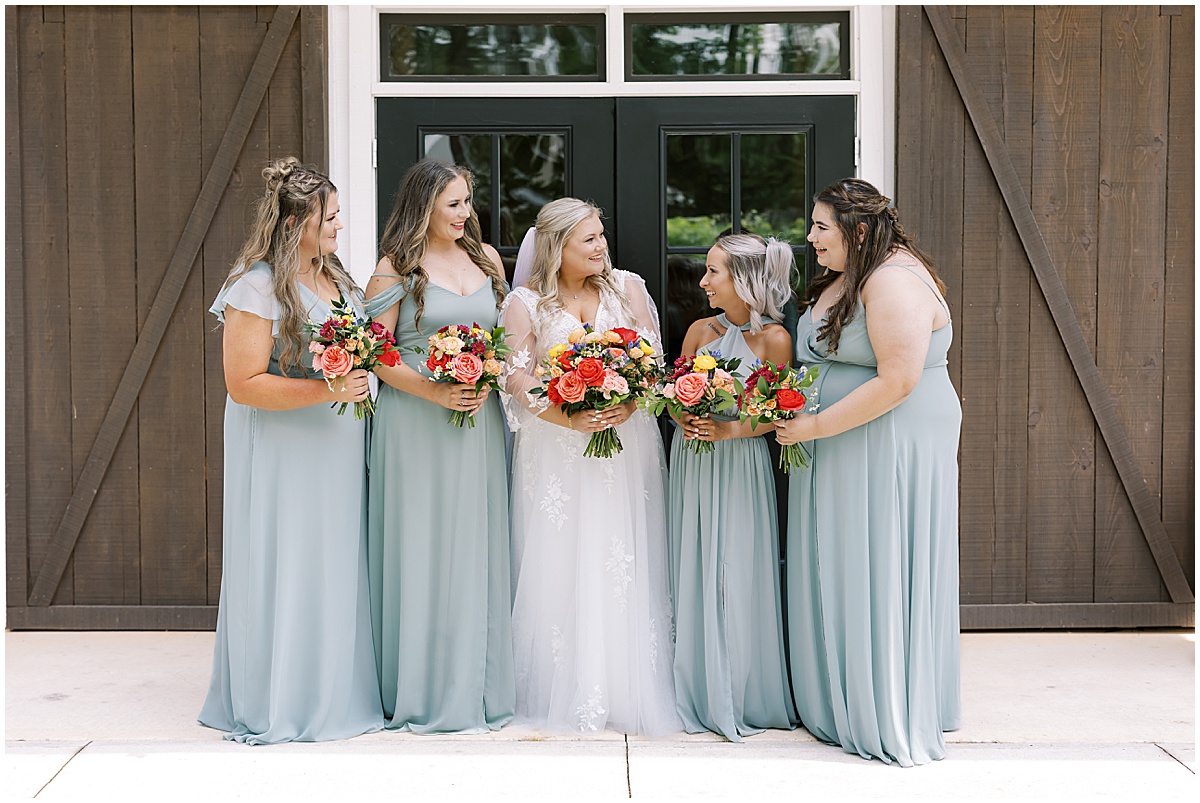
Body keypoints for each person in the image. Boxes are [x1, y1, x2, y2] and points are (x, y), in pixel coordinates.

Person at [775, 178, 961, 766]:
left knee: (875, 558)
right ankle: (837, 692)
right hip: (844, 443)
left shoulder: (893, 281)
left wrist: (813, 426)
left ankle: (880, 702)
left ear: (858, 230)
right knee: (845, 558)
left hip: (882, 441)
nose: (810, 239)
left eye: (820, 227)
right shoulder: (857, 274)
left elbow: (898, 379)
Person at [199, 157, 384, 744]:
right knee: (286, 562)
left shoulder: (338, 279)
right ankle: (280, 699)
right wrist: (325, 387)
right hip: (285, 451)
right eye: (328, 218)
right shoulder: (254, 286)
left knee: (332, 564)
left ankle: (332, 691)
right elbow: (243, 383)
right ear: (293, 222)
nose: (337, 227)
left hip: (336, 447)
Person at [499, 198, 682, 735]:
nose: (601, 247)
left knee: (621, 552)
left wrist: (626, 402)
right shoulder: (525, 303)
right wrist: (566, 416)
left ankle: (627, 687)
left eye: (602, 236)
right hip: (555, 448)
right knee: (562, 553)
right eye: (589, 240)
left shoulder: (628, 288)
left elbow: (651, 361)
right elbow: (516, 376)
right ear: (557, 247)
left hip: (624, 444)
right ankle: (561, 686)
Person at [365, 159, 515, 733]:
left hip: (478, 419)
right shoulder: (393, 269)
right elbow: (377, 354)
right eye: (453, 204)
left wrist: (489, 371)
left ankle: (475, 683)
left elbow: (501, 336)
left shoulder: (486, 260)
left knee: (474, 543)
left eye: (467, 201)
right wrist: (434, 389)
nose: (466, 213)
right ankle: (421, 686)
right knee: (422, 545)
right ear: (423, 205)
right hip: (415, 422)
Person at [667, 233, 798, 742]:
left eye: (714, 272)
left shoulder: (775, 340)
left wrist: (728, 429)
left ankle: (742, 687)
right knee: (695, 563)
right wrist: (684, 417)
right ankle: (696, 685)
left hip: (740, 463)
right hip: (694, 462)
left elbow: (775, 412)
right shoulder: (700, 330)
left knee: (738, 568)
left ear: (743, 281)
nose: (703, 282)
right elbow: (675, 393)